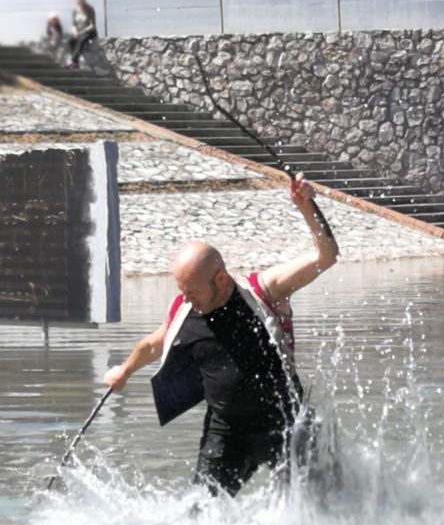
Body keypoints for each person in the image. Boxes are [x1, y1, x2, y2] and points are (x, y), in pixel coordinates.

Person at [102, 176, 339, 496]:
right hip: (227, 432)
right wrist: (124, 371)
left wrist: (306, 206)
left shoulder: (263, 292)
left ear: (222, 280)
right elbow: (152, 344)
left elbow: (326, 256)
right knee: (199, 516)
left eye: (194, 293)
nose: (187, 300)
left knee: (319, 515)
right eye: (182, 291)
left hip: (285, 424)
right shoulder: (184, 309)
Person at [67, 0, 97, 69]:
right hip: (78, 32)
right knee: (70, 41)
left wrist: (82, 32)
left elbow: (92, 25)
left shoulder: (90, 9)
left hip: (88, 32)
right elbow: (73, 24)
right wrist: (75, 32)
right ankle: (76, 63)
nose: (79, 1)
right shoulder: (74, 11)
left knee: (82, 40)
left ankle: (73, 60)